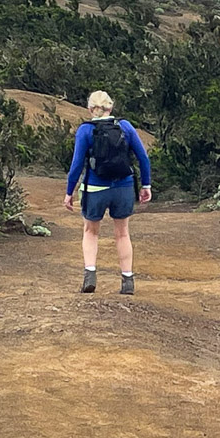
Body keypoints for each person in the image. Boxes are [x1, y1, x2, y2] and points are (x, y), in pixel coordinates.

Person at [63, 90, 151, 294]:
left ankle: (90, 275)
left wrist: (70, 192)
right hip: (123, 186)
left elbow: (76, 166)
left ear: (89, 109)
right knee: (122, 233)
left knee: (90, 231)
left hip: (95, 188)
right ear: (111, 107)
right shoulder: (125, 126)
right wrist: (145, 185)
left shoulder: (85, 130)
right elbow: (143, 158)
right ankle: (127, 281)